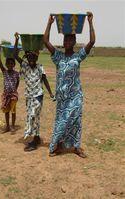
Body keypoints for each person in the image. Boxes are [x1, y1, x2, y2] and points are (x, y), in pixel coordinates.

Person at [44, 12, 96, 158]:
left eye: (70, 39)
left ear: (74, 41)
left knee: (76, 121)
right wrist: (50, 23)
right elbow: (45, 41)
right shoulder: (57, 56)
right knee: (61, 121)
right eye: (65, 38)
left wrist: (90, 22)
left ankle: (76, 147)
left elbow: (92, 42)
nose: (67, 41)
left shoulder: (78, 56)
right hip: (62, 97)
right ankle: (57, 145)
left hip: (75, 95)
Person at [14, 32, 54, 151]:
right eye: (29, 57)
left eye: (34, 57)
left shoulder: (40, 67)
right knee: (34, 117)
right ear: (27, 58)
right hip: (29, 97)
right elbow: (15, 55)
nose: (32, 59)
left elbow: (45, 80)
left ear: (37, 58)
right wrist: (16, 40)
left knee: (32, 114)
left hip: (38, 96)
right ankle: (36, 137)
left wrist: (51, 93)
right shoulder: (25, 66)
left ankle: (34, 138)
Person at [0, 46, 19, 133]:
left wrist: (15, 90)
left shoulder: (16, 74)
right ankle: (7, 126)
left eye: (11, 63)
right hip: (6, 94)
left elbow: (17, 82)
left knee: (13, 111)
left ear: (14, 65)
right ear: (6, 65)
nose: (10, 65)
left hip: (13, 95)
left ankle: (13, 126)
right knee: (6, 111)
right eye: (8, 64)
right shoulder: (4, 72)